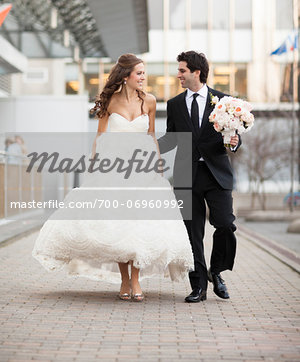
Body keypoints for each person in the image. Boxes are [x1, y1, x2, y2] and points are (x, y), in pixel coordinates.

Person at [32, 53, 193, 302]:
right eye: (139, 73)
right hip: (114, 169)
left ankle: (136, 279)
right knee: (118, 224)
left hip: (143, 170)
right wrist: (96, 165)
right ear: (126, 76)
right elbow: (100, 136)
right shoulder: (110, 102)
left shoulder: (149, 101)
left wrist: (158, 165)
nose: (143, 77)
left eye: (143, 73)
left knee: (139, 223)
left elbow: (151, 136)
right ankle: (125, 280)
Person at [159, 51, 241, 303]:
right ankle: (198, 287)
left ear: (196, 72)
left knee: (225, 224)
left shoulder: (223, 100)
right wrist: (144, 145)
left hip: (217, 175)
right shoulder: (173, 104)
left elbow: (233, 135)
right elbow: (171, 138)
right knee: (192, 232)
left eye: (182, 70)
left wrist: (235, 142)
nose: (178, 75)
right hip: (186, 176)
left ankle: (216, 272)